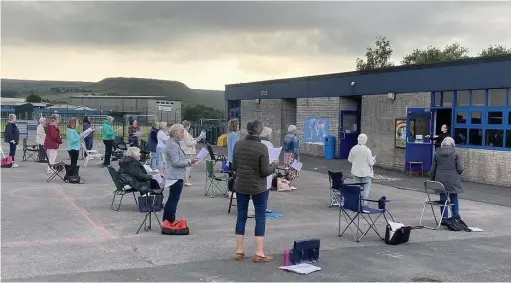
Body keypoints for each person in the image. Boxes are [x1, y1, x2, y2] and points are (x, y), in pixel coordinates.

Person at [231, 120, 278, 263]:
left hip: (241, 185)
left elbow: (234, 166)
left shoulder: (238, 144)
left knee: (241, 216)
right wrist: (274, 165)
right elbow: (264, 171)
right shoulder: (261, 147)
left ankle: (239, 251)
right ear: (259, 131)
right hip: (258, 187)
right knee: (260, 217)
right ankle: (259, 253)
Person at [162, 123, 198, 229]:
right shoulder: (173, 145)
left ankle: (168, 220)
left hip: (175, 175)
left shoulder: (173, 143)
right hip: (175, 176)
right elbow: (176, 162)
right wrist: (189, 161)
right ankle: (169, 221)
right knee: (173, 200)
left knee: (172, 199)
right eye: (182, 131)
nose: (183, 134)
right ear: (175, 132)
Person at [429, 137, 464, 223]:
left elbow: (433, 169)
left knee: (443, 199)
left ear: (442, 143)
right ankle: (455, 217)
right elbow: (460, 169)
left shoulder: (437, 153)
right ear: (452, 144)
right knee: (454, 198)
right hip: (453, 181)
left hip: (440, 181)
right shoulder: (456, 153)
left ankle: (444, 219)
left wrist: (432, 180)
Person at [347, 133, 376, 204]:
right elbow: (371, 163)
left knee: (357, 187)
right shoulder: (367, 150)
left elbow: (350, 160)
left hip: (355, 172)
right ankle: (364, 203)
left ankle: (357, 202)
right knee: (366, 187)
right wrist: (374, 160)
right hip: (365, 173)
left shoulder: (353, 149)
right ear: (365, 140)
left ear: (358, 139)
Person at [180, 120, 201, 186]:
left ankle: (185, 181)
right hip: (187, 152)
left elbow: (190, 140)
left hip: (186, 151)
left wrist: (196, 139)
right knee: (188, 167)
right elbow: (188, 143)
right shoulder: (185, 133)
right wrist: (196, 140)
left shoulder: (184, 132)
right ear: (187, 126)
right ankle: (186, 181)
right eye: (189, 126)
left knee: (187, 167)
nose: (189, 127)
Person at [259, 126, 275, 214]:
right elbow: (272, 156)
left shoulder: (258, 142)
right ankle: (264, 207)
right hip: (267, 167)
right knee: (266, 189)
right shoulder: (269, 144)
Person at [283, 125, 300, 190]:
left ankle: (287, 183)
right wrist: (297, 157)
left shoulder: (286, 136)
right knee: (292, 169)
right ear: (294, 131)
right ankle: (290, 184)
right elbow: (296, 149)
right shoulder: (294, 138)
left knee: (287, 168)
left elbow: (284, 147)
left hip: (286, 154)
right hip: (292, 155)